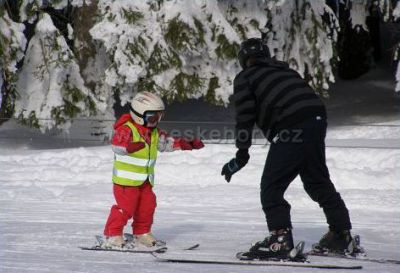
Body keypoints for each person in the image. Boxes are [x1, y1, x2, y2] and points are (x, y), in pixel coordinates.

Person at [221, 38, 362, 260]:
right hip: (316, 119)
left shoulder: (245, 77)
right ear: (266, 55)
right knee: (317, 181)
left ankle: (280, 241)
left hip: (291, 126)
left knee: (271, 186)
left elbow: (245, 115)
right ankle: (340, 235)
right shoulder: (286, 71)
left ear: (243, 60)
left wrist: (242, 152)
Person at [103, 91, 204, 249]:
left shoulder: (154, 132)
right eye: (152, 117)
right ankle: (113, 234)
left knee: (148, 206)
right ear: (139, 115)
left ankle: (142, 233)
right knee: (125, 208)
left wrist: (186, 144)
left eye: (159, 117)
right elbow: (117, 145)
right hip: (126, 182)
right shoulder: (126, 129)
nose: (156, 121)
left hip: (145, 181)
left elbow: (166, 143)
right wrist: (128, 147)